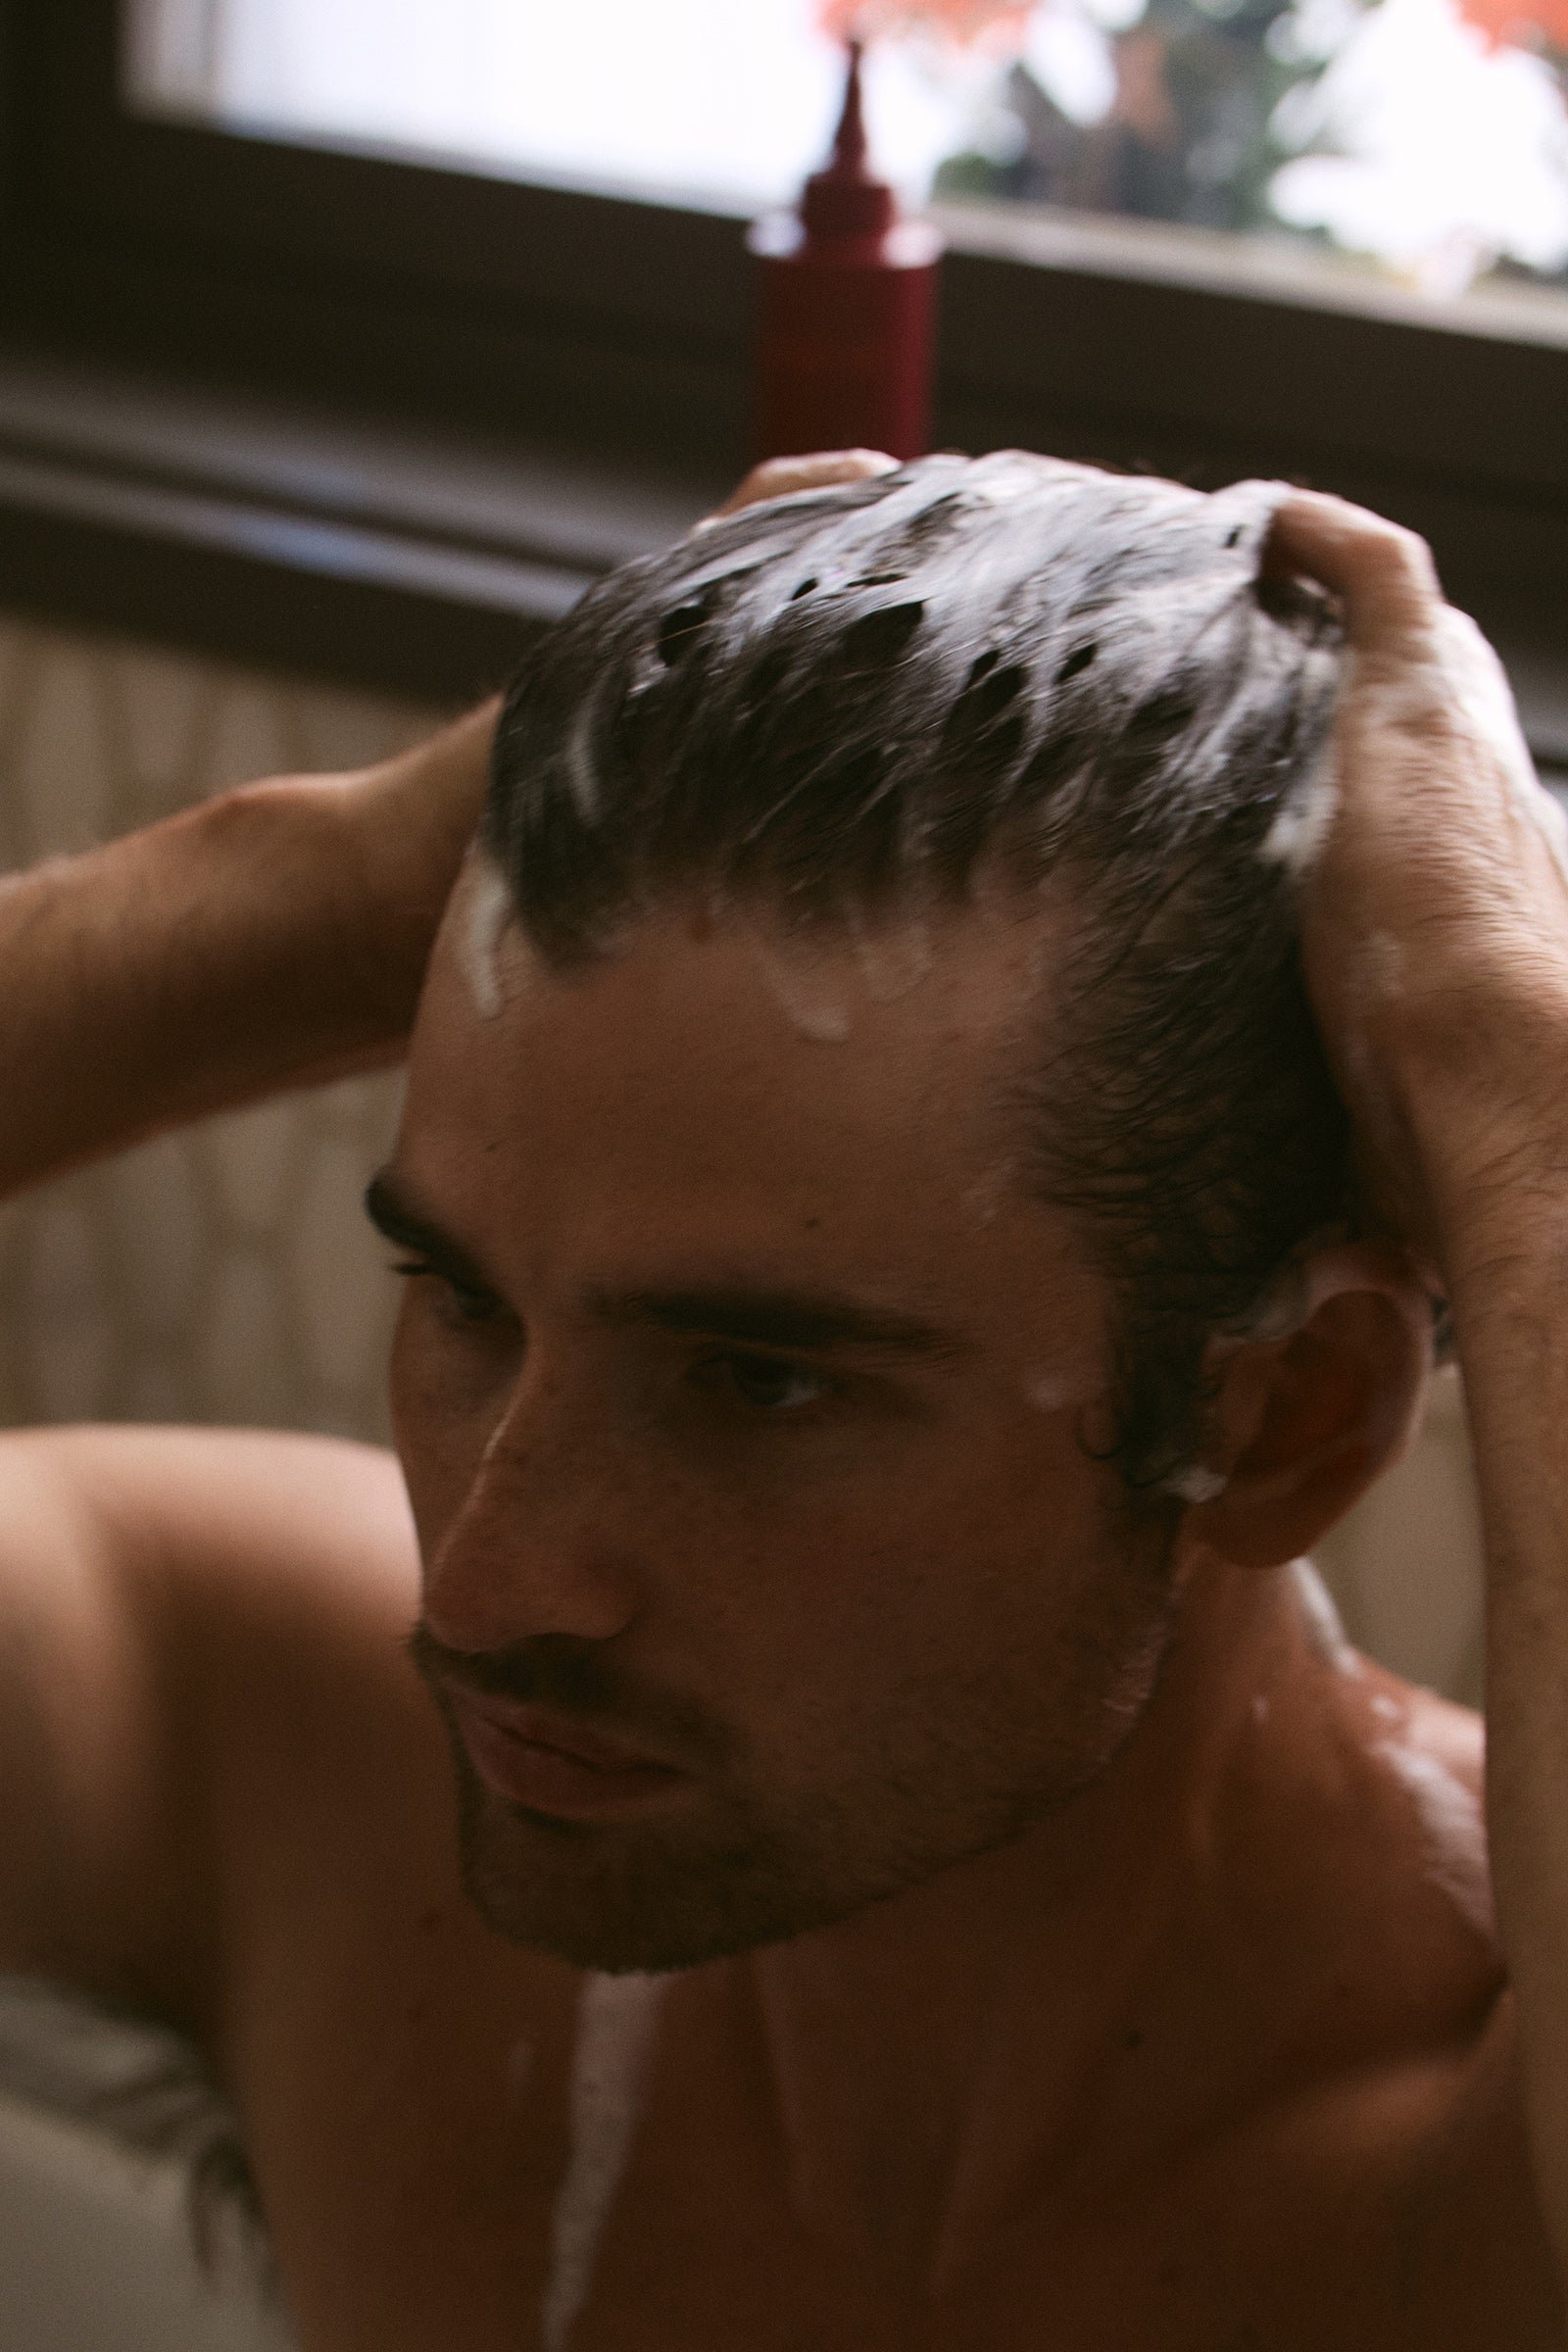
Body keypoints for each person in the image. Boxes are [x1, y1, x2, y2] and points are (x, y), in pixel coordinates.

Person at [0, 444, 1564, 2349]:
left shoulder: (1471, 2128)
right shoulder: (312, 1768)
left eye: (755, 1384)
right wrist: (334, 879)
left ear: (1282, 1413)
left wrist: (1509, 1071)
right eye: (462, 1301)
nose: (485, 1592)